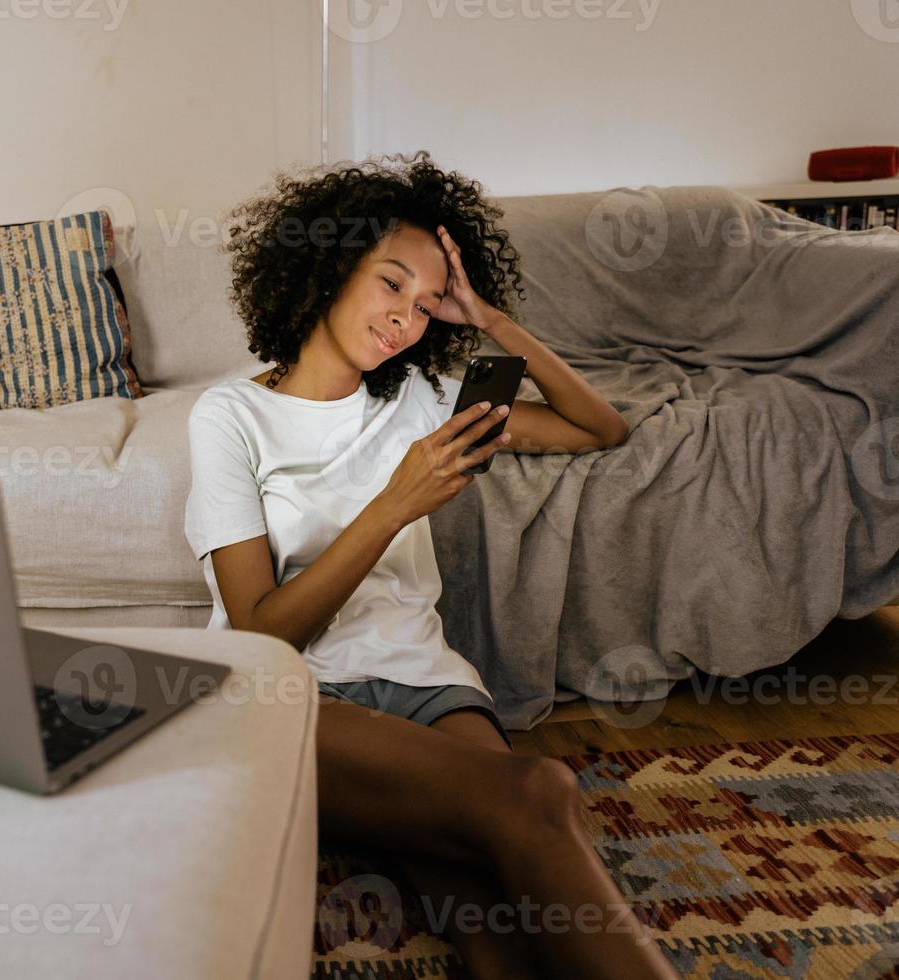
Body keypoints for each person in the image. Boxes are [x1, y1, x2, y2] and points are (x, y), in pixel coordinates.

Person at [182, 152, 676, 979]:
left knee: (481, 877)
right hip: (296, 692)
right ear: (332, 265)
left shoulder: (419, 403)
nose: (406, 320)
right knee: (532, 796)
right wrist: (394, 504)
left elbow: (599, 429)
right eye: (390, 285)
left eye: (426, 303)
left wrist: (492, 322)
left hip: (425, 678)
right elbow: (261, 633)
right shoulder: (230, 416)